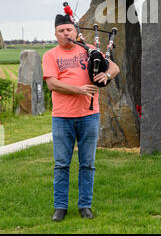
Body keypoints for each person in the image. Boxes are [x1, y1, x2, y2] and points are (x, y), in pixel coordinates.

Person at [42, 12, 120, 222]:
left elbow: (114, 66)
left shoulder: (89, 51)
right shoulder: (50, 55)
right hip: (62, 117)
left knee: (87, 164)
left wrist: (107, 75)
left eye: (69, 29)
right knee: (61, 164)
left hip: (89, 116)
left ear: (75, 32)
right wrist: (78, 90)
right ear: (56, 34)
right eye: (61, 31)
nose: (65, 33)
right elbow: (52, 83)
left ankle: (85, 205)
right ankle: (60, 207)